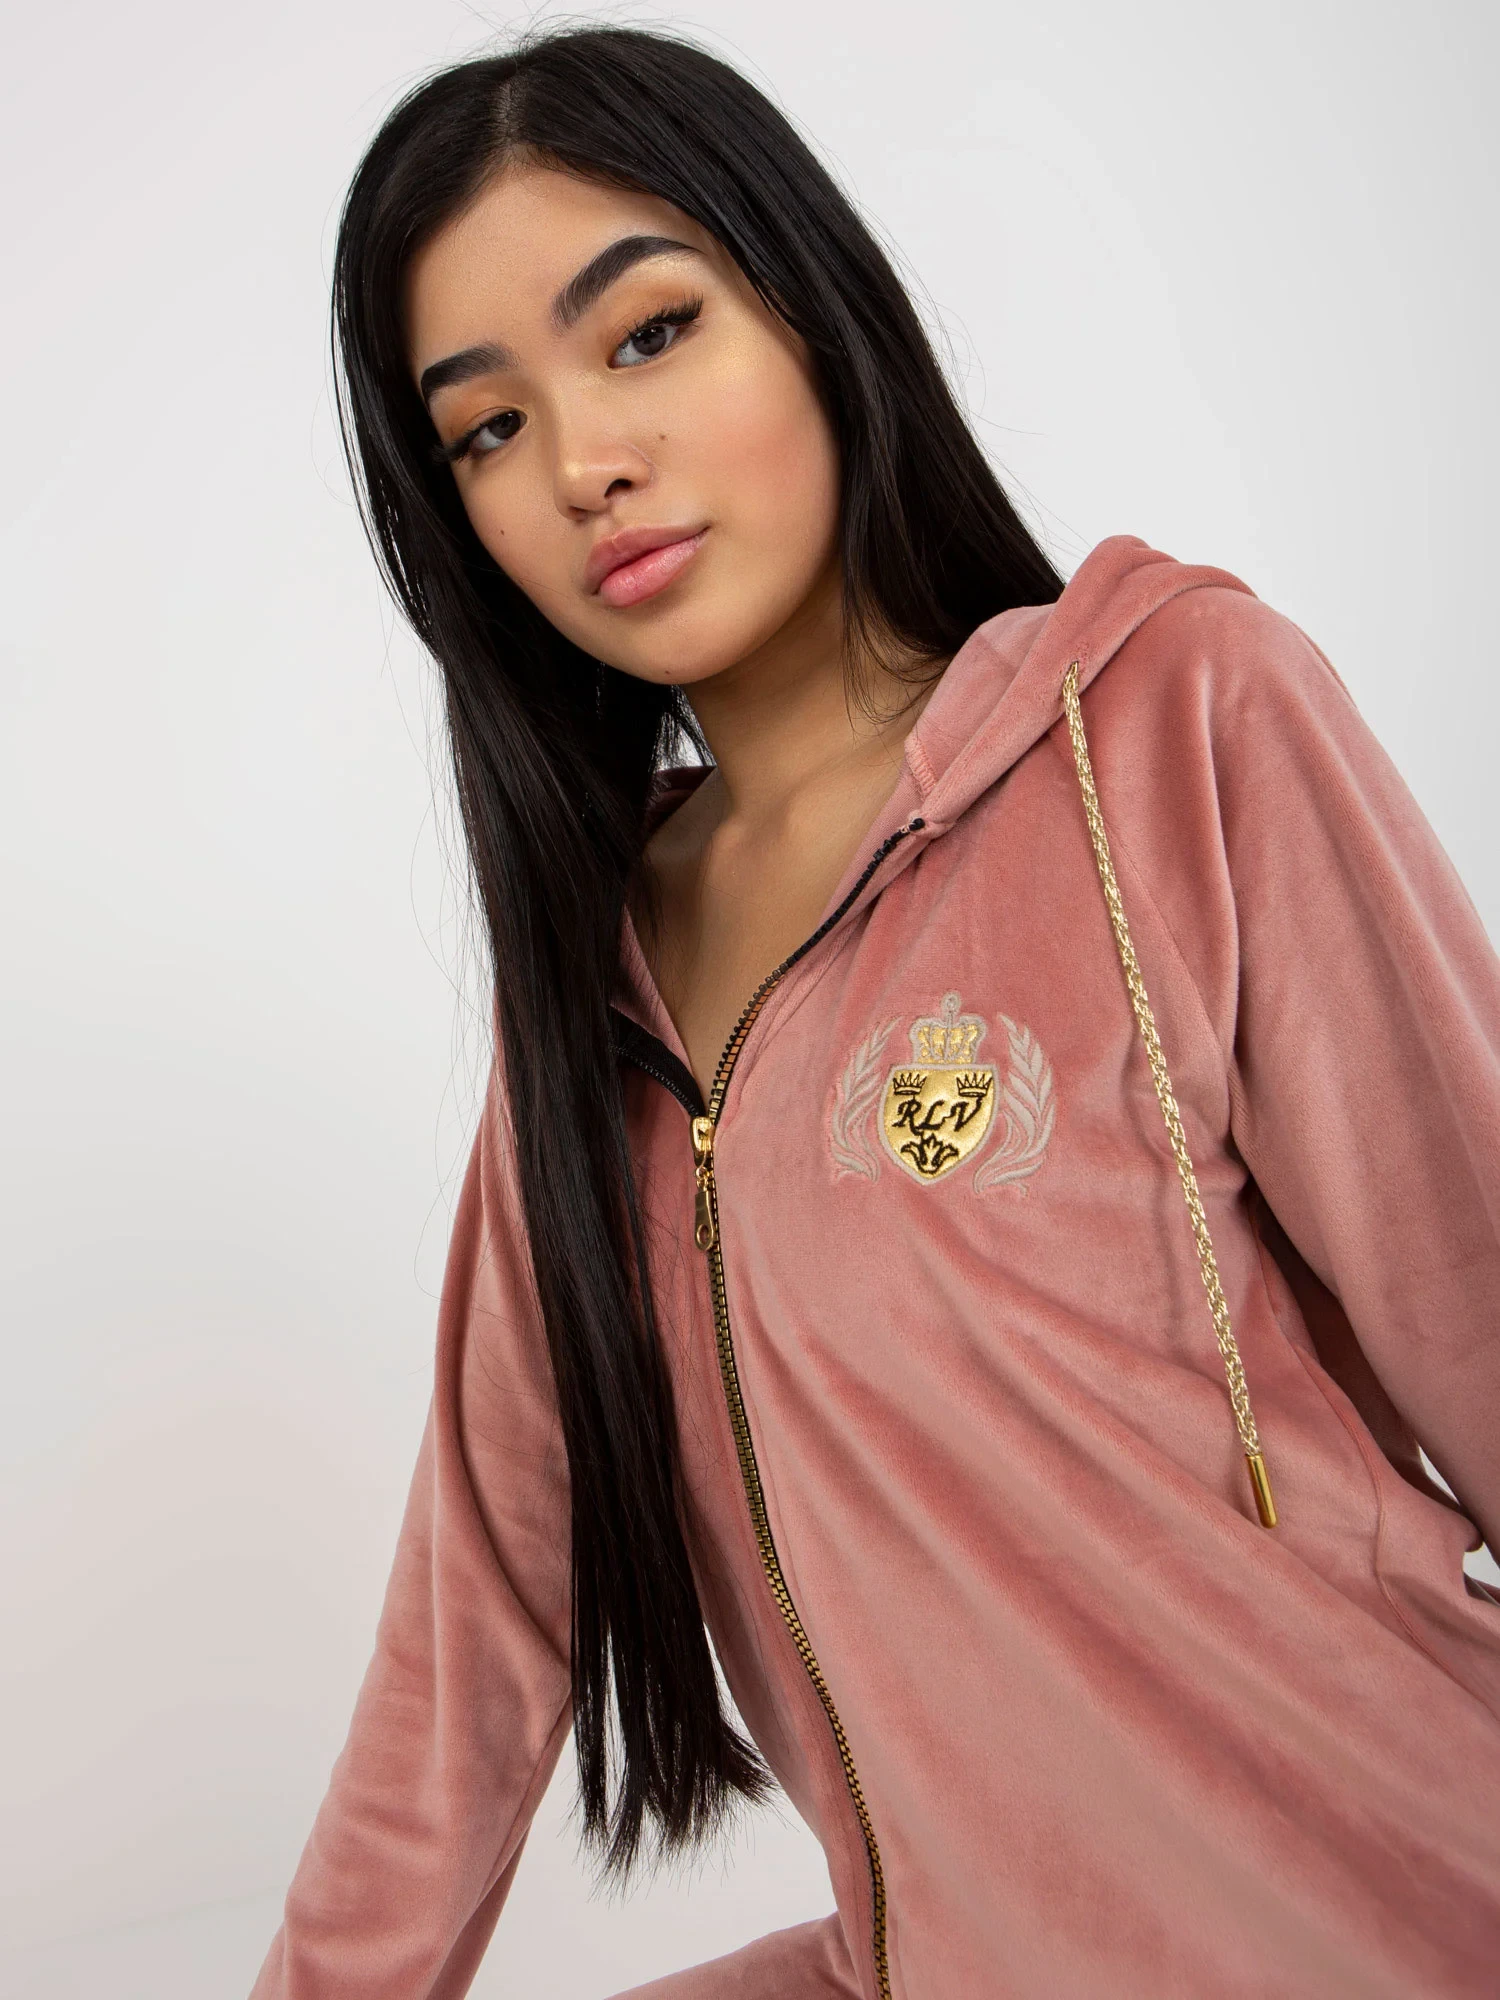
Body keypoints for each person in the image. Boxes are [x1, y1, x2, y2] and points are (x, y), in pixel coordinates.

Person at [249, 22, 1500, 1999]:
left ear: (813, 310)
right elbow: (468, 1646)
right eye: (484, 429)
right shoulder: (598, 991)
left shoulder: (1175, 727)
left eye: (649, 333)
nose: (583, 464)